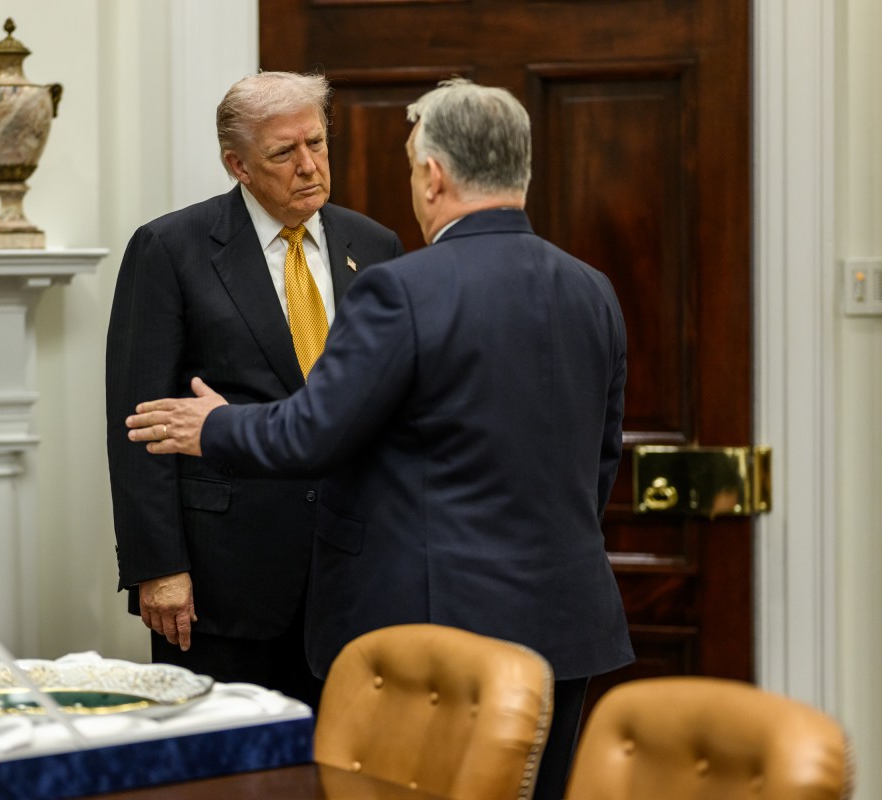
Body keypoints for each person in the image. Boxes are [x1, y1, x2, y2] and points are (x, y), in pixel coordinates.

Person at [124, 78, 634, 800]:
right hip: (566, 616)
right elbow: (602, 458)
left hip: (442, 625)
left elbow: (316, 427)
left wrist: (213, 425)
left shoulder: (401, 282)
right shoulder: (594, 288)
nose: (309, 163)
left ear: (434, 175)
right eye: (287, 151)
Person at [104, 71, 404, 711]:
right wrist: (158, 567)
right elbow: (139, 423)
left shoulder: (376, 246)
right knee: (228, 755)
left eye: (316, 143)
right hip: (225, 580)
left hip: (356, 570)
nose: (309, 166)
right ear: (237, 164)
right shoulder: (170, 249)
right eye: (283, 153)